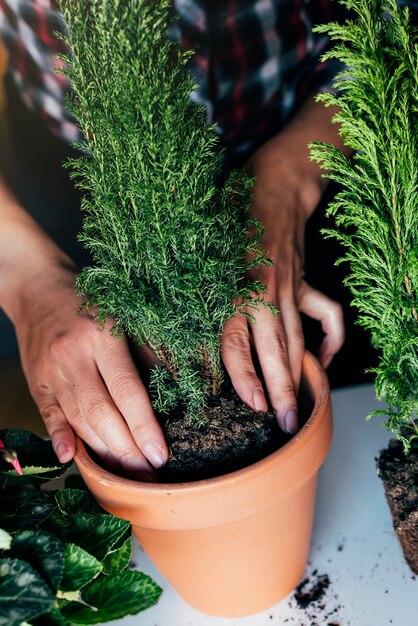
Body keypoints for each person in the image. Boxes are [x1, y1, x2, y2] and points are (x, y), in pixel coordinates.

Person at [0, 0, 371, 479]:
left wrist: (290, 179)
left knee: (332, 383)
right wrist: (23, 275)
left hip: (311, 132)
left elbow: (394, 25)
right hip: (83, 174)